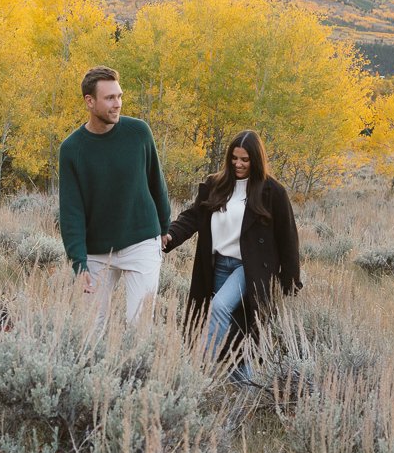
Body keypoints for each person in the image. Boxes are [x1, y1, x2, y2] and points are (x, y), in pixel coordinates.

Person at [162, 130, 301, 382]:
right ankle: (247, 391)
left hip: (249, 270)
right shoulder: (215, 185)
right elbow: (193, 217)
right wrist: (170, 235)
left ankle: (198, 376)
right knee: (234, 334)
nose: (238, 164)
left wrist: (289, 283)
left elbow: (288, 238)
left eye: (245, 159)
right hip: (216, 267)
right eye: (234, 158)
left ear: (256, 160)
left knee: (219, 308)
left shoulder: (273, 192)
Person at [58, 66, 172, 332]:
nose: (117, 104)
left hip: (142, 242)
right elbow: (71, 211)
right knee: (91, 328)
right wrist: (79, 261)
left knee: (139, 327)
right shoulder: (72, 149)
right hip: (97, 252)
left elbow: (157, 181)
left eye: (119, 96)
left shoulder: (139, 132)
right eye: (110, 98)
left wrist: (164, 227)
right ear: (90, 101)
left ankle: (138, 374)